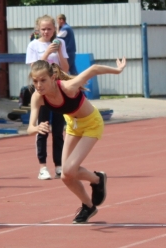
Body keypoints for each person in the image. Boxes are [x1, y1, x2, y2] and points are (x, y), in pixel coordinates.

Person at [26, 58, 127, 223]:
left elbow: (93, 69)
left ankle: (97, 179)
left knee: (69, 169)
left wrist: (118, 70)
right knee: (66, 176)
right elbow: (29, 128)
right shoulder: (38, 97)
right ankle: (88, 206)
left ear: (52, 78)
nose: (38, 85)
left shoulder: (67, 87)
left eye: (43, 80)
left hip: (92, 124)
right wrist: (37, 128)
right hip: (73, 126)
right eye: (35, 81)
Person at [26, 15, 69, 180]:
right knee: (42, 128)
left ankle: (59, 165)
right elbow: (34, 69)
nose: (46, 32)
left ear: (54, 30)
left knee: (58, 130)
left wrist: (58, 52)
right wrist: (46, 53)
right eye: (43, 29)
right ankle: (42, 167)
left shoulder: (60, 43)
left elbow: (65, 67)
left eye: (49, 29)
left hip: (57, 89)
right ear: (38, 30)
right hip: (42, 91)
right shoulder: (34, 45)